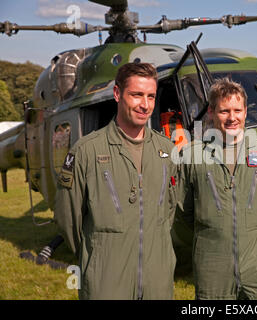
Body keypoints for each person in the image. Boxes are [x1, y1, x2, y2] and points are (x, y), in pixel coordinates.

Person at [54, 62, 177, 300]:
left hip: (158, 281)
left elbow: (170, 209)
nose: (145, 105)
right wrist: (99, 254)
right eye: (136, 95)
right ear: (117, 94)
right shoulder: (86, 151)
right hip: (106, 281)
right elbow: (67, 218)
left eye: (151, 97)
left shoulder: (166, 150)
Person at [177, 78, 257, 299]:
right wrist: (215, 230)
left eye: (237, 110)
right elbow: (183, 211)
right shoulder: (192, 156)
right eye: (224, 111)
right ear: (211, 112)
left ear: (245, 110)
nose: (232, 118)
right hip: (213, 266)